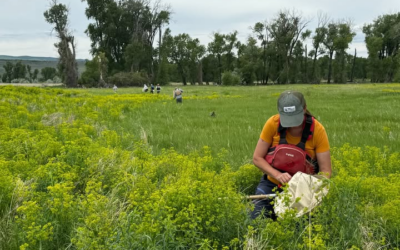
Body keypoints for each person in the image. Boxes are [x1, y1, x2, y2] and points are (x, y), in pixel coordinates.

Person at [251, 90, 331, 220]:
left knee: (301, 226)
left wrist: (306, 188)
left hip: (303, 189)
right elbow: (257, 158)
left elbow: (326, 171)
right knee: (256, 220)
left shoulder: (317, 130)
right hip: (272, 184)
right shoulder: (272, 123)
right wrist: (278, 175)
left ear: (304, 109)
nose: (292, 124)